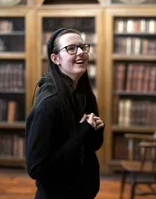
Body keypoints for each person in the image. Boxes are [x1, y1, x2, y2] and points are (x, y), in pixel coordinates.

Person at [25, 28, 104, 199]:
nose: (81, 52)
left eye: (83, 47)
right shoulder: (49, 104)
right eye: (71, 48)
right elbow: (37, 169)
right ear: (55, 59)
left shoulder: (83, 94)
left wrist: (95, 130)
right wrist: (82, 133)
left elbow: (90, 148)